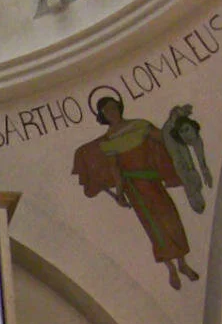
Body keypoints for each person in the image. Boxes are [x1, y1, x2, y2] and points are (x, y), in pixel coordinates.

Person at [72, 96, 199, 290]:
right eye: (107, 111)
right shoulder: (110, 139)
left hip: (152, 180)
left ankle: (183, 264)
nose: (112, 112)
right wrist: (120, 193)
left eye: (114, 107)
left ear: (120, 108)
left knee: (171, 220)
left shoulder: (140, 125)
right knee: (153, 226)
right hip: (135, 187)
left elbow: (164, 139)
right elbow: (115, 168)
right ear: (102, 116)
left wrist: (176, 123)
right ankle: (170, 268)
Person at [162, 104, 214, 214]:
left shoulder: (189, 129)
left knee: (190, 171)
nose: (186, 135)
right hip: (173, 141)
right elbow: (179, 163)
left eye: (187, 130)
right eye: (182, 132)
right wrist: (188, 185)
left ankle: (193, 192)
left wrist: (204, 168)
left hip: (178, 124)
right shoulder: (171, 138)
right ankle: (192, 193)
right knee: (186, 168)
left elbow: (197, 143)